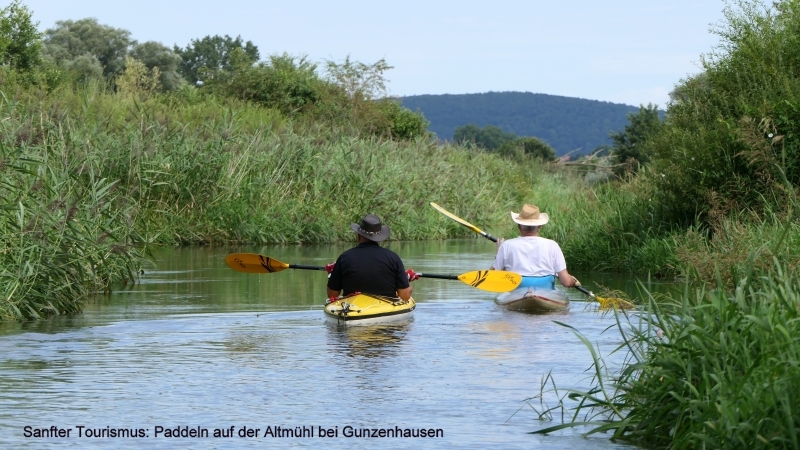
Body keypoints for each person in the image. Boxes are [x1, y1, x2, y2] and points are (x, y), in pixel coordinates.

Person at [326, 214, 417, 302]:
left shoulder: (344, 258)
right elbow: (405, 296)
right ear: (380, 238)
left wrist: (332, 275)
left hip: (351, 310)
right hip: (385, 310)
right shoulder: (393, 258)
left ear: (358, 236)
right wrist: (406, 278)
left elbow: (332, 295)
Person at [491, 204, 580, 290]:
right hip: (545, 290)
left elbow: (493, 277)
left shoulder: (506, 245)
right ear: (540, 226)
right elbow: (566, 282)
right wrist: (573, 281)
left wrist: (499, 251)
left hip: (516, 290)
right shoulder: (552, 245)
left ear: (518, 226)